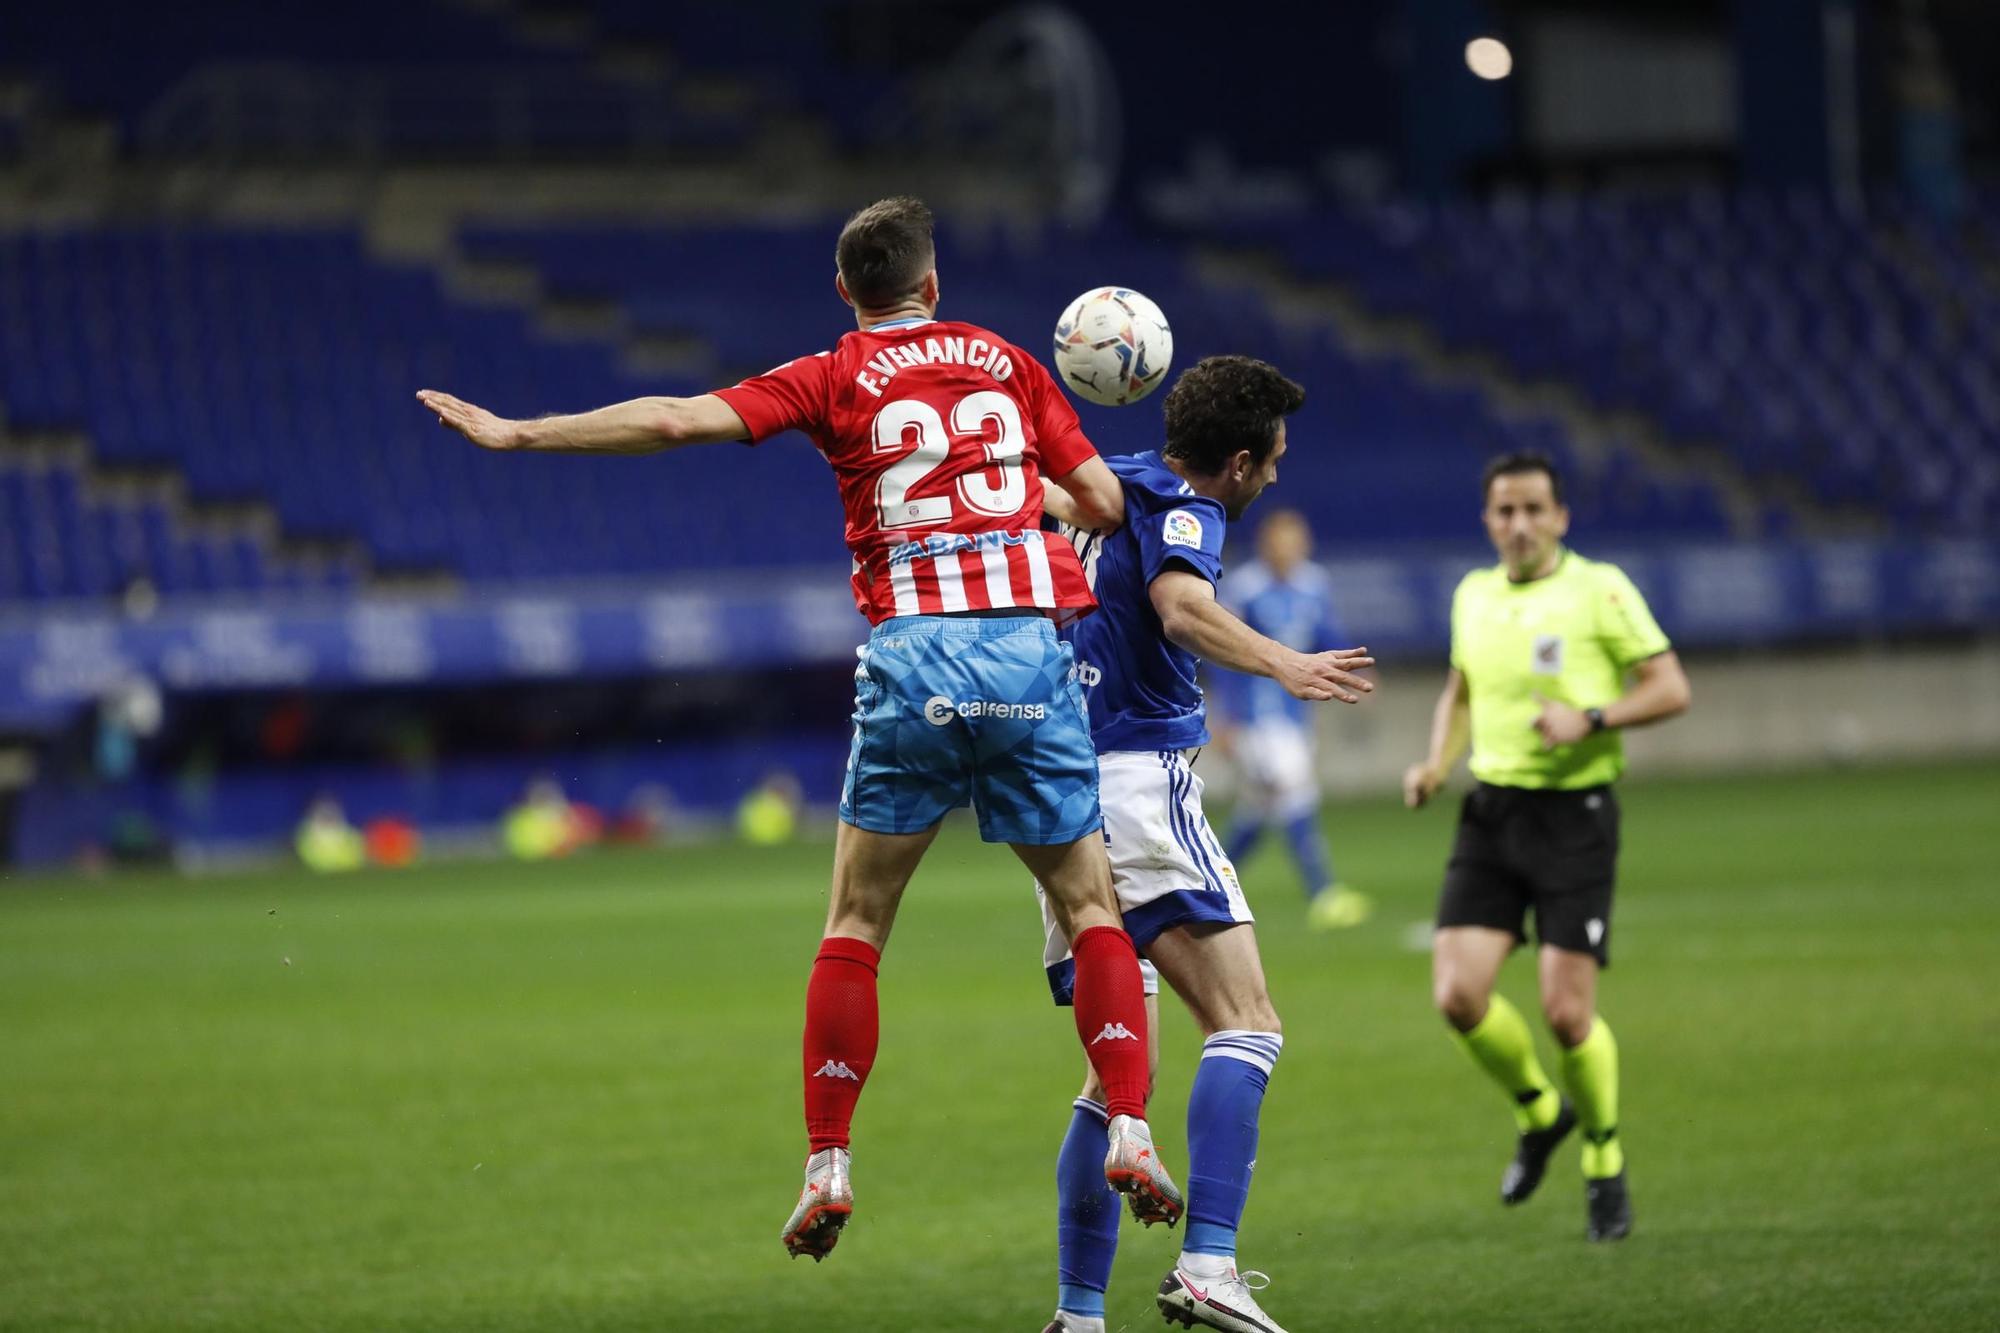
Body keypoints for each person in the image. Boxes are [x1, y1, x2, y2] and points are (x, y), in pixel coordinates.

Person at [417, 196, 1177, 1264]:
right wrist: (1012, 492)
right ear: (932, 283)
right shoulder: (1007, 362)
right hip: (1023, 651)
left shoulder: (829, 374)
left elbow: (678, 418)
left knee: (856, 925)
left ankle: (828, 1162)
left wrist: (520, 430)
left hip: (913, 654)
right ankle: (1134, 1127)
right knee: (1090, 904)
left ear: (844, 293)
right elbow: (1098, 502)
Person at [1036, 357, 1375, 1333]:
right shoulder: (1189, 504)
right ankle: (1209, 1262)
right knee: (1247, 1020)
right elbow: (1180, 608)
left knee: (1114, 1069)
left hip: (1054, 787)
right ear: (1237, 459)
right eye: (1269, 460)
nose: (1272, 476)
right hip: (1138, 784)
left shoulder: (1107, 481)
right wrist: (1286, 663)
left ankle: (1078, 1313)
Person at [1402, 451, 1691, 1243]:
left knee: (1568, 1015)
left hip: (1575, 817)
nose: (1519, 524)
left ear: (1561, 516)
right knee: (1458, 995)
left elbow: (1671, 686)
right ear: (1489, 520)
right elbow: (1459, 690)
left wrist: (1591, 718)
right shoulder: (1473, 594)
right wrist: (1436, 762)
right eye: (1505, 511)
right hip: (1491, 812)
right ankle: (1540, 1110)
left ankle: (1604, 1154)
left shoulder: (1599, 589)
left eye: (1534, 509)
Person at [1211, 508, 1373, 930]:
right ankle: (1323, 892)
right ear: (1266, 545)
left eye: (1295, 541)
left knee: (1261, 807)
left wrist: (1355, 669)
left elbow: (1326, 636)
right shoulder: (1245, 588)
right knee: (1294, 788)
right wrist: (1226, 718)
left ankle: (1211, 882)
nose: (1288, 549)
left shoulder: (1313, 584)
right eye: (1281, 541)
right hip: (1256, 717)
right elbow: (1226, 654)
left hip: (1296, 713)